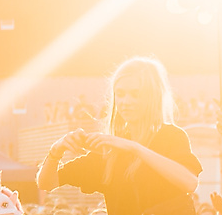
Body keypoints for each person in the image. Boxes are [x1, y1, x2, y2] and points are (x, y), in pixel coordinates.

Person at [36, 58, 201, 215]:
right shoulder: (110, 151)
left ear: (153, 96)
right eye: (120, 94)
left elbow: (189, 182)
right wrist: (56, 151)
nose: (125, 101)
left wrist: (134, 148)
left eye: (135, 94)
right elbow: (46, 183)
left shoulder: (171, 136)